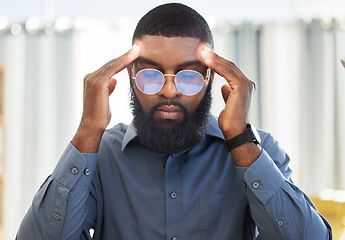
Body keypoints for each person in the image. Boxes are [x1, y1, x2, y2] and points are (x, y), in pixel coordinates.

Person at [17, 3, 332, 240]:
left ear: (210, 78)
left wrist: (239, 139)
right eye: (151, 74)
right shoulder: (100, 155)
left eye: (189, 76)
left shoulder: (259, 150)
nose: (169, 90)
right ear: (130, 74)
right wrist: (88, 130)